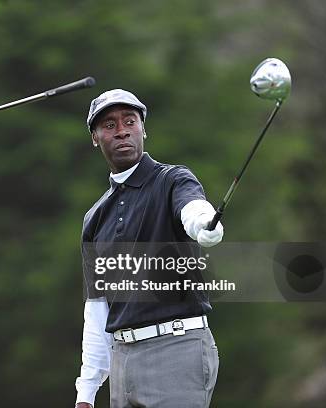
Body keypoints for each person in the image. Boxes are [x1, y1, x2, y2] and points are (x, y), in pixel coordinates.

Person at [74, 89, 225, 408]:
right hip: (122, 361)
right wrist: (87, 391)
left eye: (130, 121)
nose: (122, 130)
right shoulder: (95, 218)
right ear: (95, 138)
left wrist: (203, 223)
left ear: (143, 129)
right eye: (110, 125)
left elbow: (192, 207)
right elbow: (97, 308)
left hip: (176, 350)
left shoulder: (172, 180)